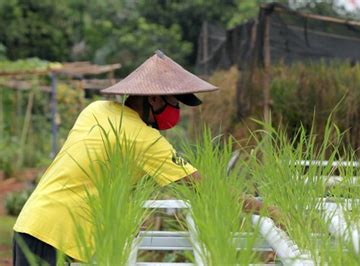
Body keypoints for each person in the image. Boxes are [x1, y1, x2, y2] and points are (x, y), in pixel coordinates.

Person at [12, 50, 269, 265]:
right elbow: (207, 188)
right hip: (53, 235)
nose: (176, 111)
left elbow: (99, 169)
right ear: (154, 98)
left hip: (35, 221)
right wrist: (269, 211)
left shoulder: (96, 109)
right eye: (175, 103)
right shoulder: (145, 140)